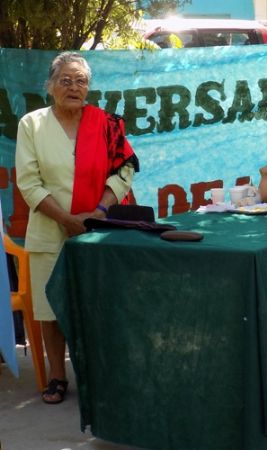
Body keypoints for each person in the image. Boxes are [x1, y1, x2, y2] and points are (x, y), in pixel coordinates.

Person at [15, 52, 139, 403]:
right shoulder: (32, 125)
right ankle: (57, 375)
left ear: (89, 88)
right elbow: (28, 182)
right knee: (50, 308)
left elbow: (125, 171)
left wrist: (98, 211)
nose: (74, 87)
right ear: (51, 86)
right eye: (66, 80)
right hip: (50, 230)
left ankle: (98, 372)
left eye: (81, 80)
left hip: (98, 229)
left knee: (98, 304)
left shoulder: (106, 124)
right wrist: (66, 220)